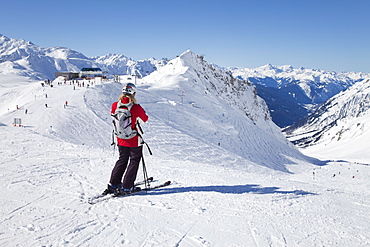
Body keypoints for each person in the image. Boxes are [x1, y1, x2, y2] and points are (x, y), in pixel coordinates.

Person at [103, 83, 149, 196]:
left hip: (120, 138)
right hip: (133, 139)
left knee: (122, 159)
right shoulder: (136, 107)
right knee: (134, 160)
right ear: (133, 93)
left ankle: (113, 184)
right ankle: (127, 186)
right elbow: (145, 118)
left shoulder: (115, 105)